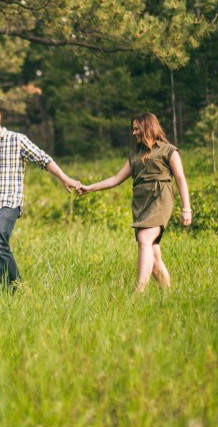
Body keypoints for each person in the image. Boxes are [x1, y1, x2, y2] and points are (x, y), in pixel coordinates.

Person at [0, 104, 79, 293]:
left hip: (8, 203)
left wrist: (65, 178)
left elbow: (43, 159)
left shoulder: (17, 140)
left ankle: (18, 288)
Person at [77, 112, 192, 292]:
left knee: (144, 238)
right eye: (133, 129)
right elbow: (116, 179)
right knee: (153, 257)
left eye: (137, 129)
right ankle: (169, 295)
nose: (133, 133)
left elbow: (180, 178)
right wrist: (90, 187)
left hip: (160, 198)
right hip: (141, 201)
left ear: (147, 128)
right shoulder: (136, 154)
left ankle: (138, 292)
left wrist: (187, 208)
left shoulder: (168, 150)